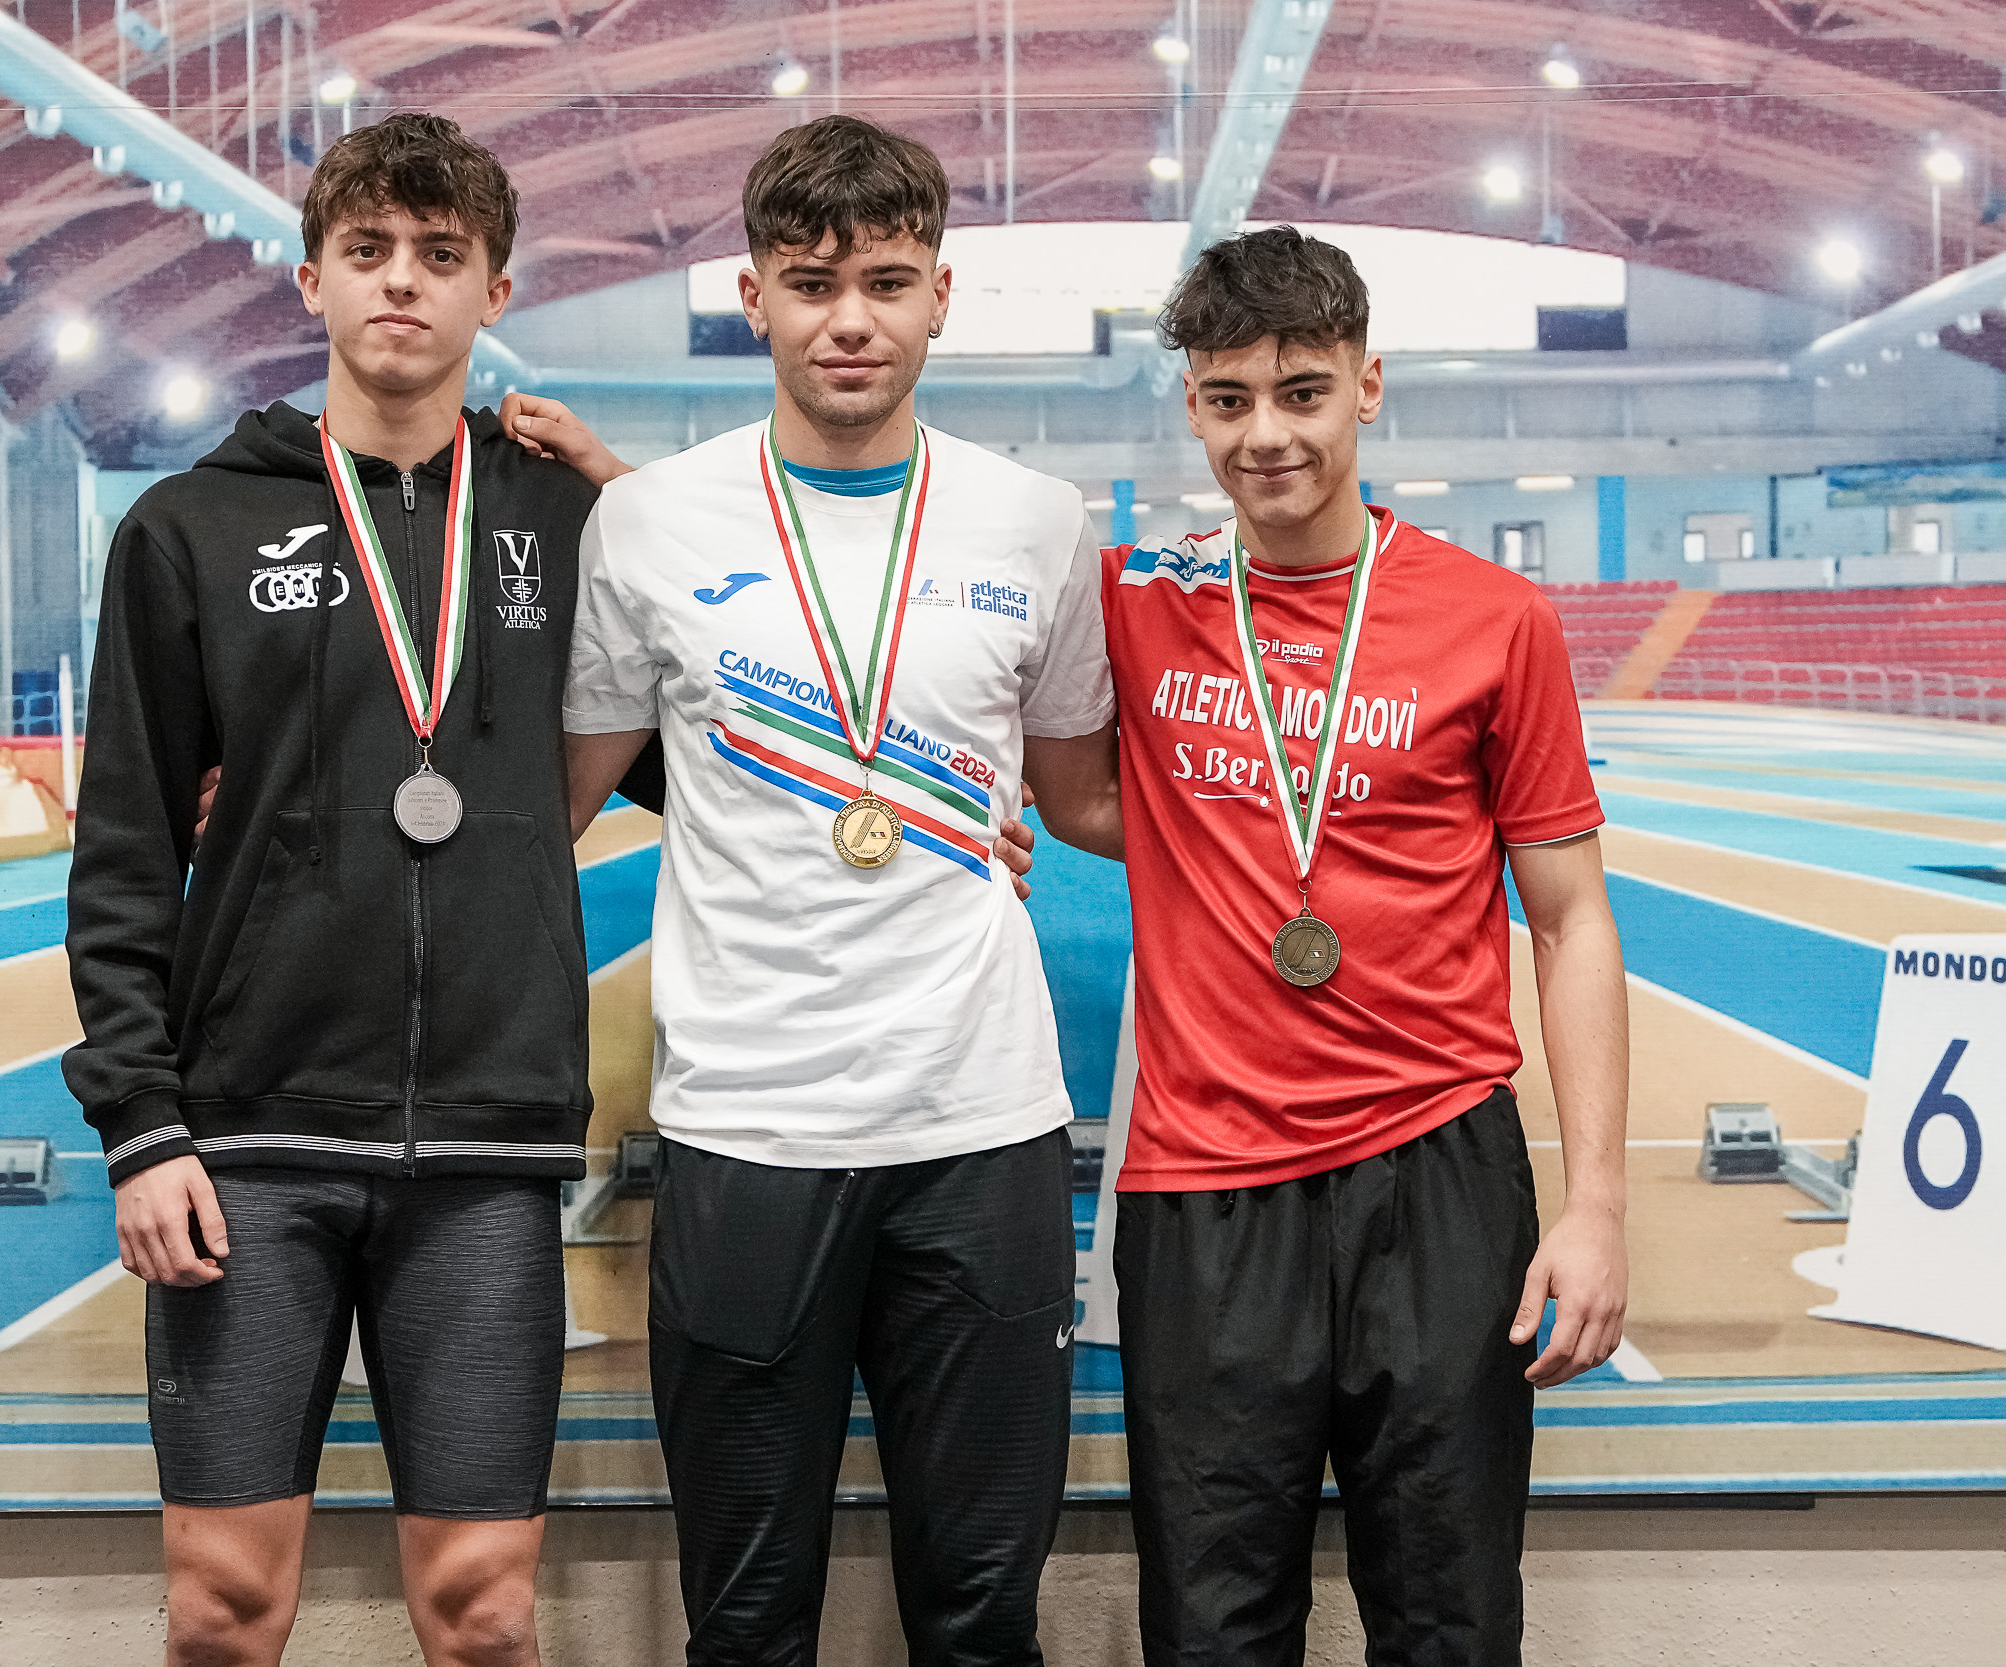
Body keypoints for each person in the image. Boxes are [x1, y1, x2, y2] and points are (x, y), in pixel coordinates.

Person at [63, 112, 628, 1667]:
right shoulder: (188, 529)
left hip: (487, 1150)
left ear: (494, 290)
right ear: (310, 279)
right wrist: (141, 1126)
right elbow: (125, 849)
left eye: (441, 255)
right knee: (223, 1616)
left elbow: (715, 731)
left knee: (486, 1617)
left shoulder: (566, 521)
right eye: (368, 251)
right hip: (250, 1146)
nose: (401, 283)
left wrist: (950, 813)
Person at [559, 114, 1116, 1666]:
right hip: (748, 1128)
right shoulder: (647, 522)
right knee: (746, 1625)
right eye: (811, 285)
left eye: (884, 282)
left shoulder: (1036, 520)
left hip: (980, 1128)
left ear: (941, 295)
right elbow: (553, 798)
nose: (849, 320)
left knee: (983, 1618)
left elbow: (1079, 795)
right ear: (755, 299)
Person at [1037, 225, 1630, 1663]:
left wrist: (1600, 1205)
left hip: (1437, 1173)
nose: (1267, 435)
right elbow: (1056, 768)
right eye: (1229, 398)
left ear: (1368, 384)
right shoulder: (1135, 597)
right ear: (1192, 405)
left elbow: (1570, 918)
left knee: (1449, 1619)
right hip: (1202, 1184)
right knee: (1213, 1628)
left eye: (1302, 392)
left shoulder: (1498, 618)